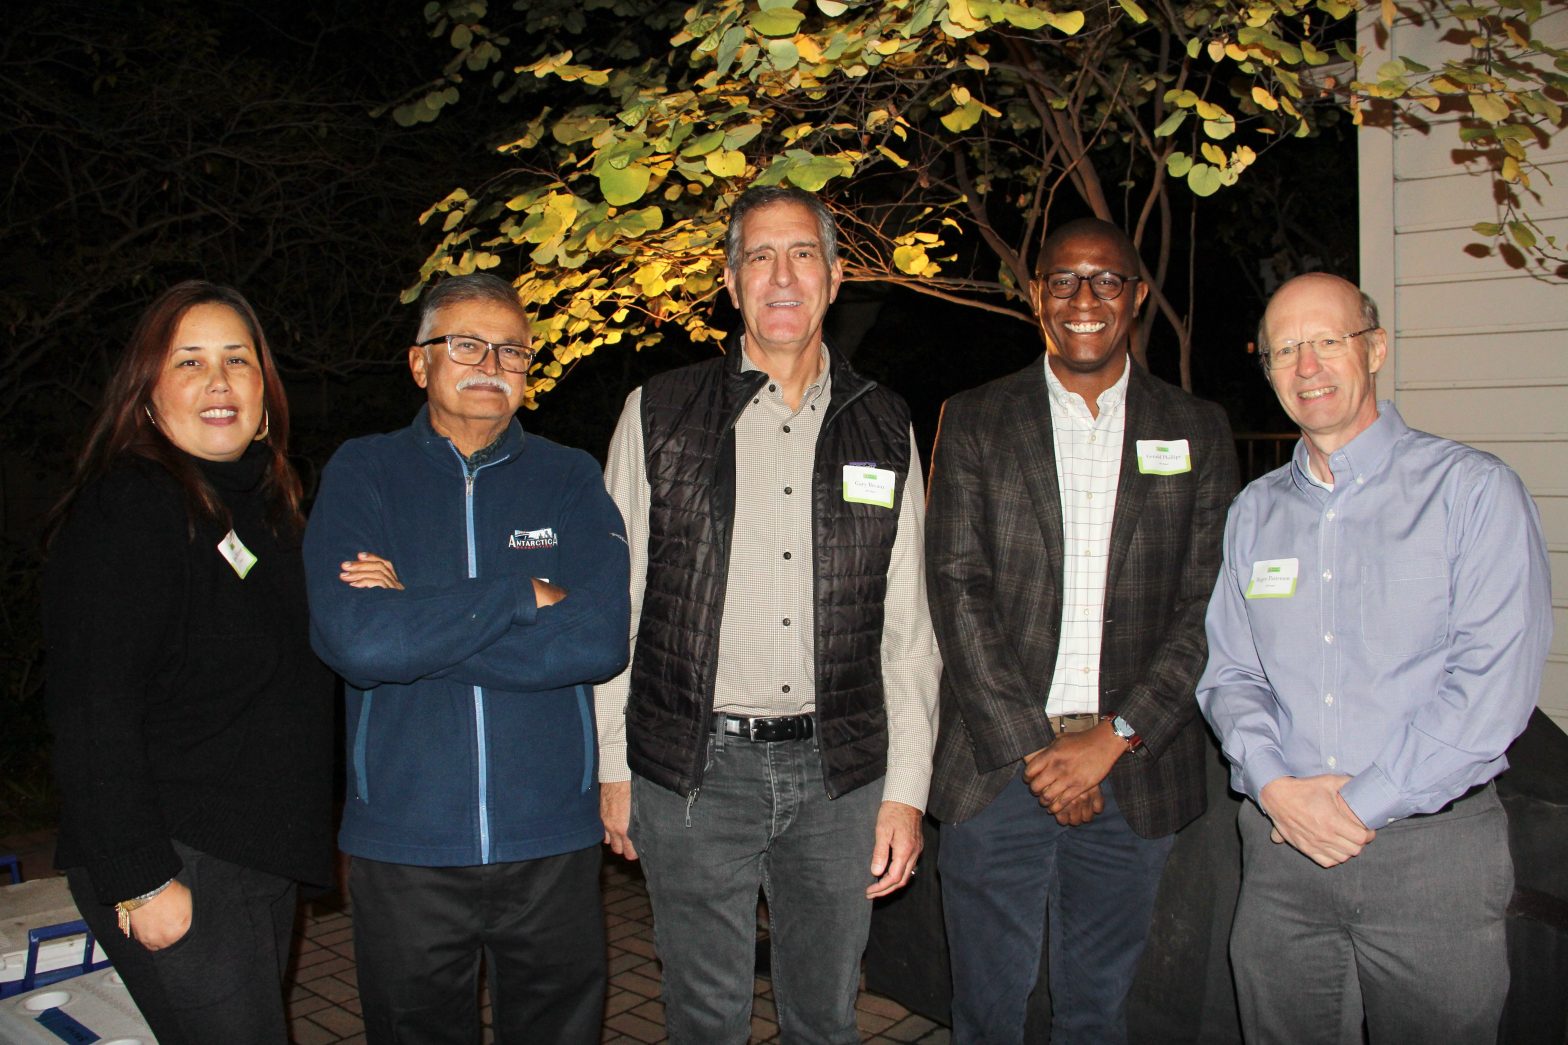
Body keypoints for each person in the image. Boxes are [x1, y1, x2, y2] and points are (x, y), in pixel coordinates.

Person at [597, 184, 940, 1043]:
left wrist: (905, 791)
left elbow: (909, 630)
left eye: (801, 256)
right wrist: (612, 765)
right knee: (703, 1014)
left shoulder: (885, 424)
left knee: (825, 1017)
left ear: (832, 277)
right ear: (730, 278)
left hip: (839, 774)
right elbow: (617, 605)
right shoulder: (657, 414)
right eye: (759, 256)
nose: (781, 276)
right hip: (692, 770)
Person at [1197, 272, 1552, 1044]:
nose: (1308, 365)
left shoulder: (1472, 492)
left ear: (1377, 349)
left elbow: (1491, 692)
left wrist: (1353, 808)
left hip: (1432, 860)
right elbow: (1231, 673)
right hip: (1283, 857)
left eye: (1328, 340)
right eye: (1285, 349)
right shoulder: (1255, 512)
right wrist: (1277, 788)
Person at [925, 218, 1238, 1044]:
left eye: (1106, 280)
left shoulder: (1196, 428)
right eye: (1064, 280)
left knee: (1097, 1012)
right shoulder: (977, 419)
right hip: (999, 771)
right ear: (1037, 297)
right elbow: (956, 588)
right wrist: (1037, 748)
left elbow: (1206, 603)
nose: (1085, 299)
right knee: (987, 1013)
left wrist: (1114, 737)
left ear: (1136, 295)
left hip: (1131, 772)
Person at [303, 273, 630, 1044]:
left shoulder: (570, 476)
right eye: (466, 344)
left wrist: (416, 610)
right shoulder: (364, 470)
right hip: (404, 844)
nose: (492, 362)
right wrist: (519, 594)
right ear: (420, 364)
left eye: (512, 350)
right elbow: (356, 640)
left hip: (552, 841)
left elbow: (597, 638)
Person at [44, 280, 332, 1044]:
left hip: (252, 853)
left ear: (265, 394)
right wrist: (138, 875)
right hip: (177, 857)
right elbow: (92, 703)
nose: (218, 380)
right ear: (146, 395)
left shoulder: (262, 514)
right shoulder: (132, 505)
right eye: (189, 361)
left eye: (238, 360)